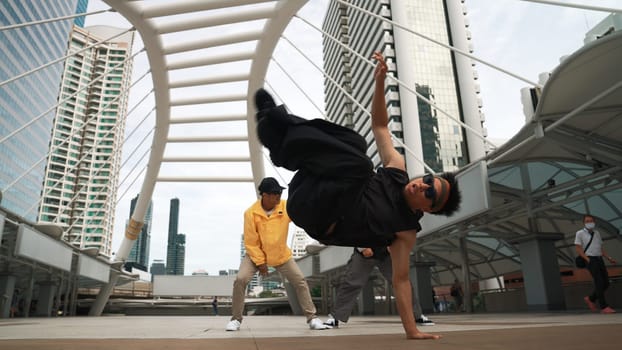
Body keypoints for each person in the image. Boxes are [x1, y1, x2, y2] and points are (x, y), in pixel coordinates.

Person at [254, 51, 461, 340]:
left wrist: (411, 330)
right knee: (357, 142)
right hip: (311, 186)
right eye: (428, 179)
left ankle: (277, 134)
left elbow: (400, 281)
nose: (422, 185)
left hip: (319, 217)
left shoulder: (405, 231)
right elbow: (380, 126)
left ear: (429, 209)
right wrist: (379, 83)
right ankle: (273, 123)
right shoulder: (397, 168)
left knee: (361, 164)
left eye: (429, 193)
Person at [225, 177, 331, 331]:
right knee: (240, 280)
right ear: (265, 195)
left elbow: (302, 214)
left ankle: (312, 318)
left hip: (281, 255)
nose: (278, 196)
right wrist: (261, 263)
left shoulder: (286, 206)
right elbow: (251, 243)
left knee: (300, 281)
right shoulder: (250, 213)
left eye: (280, 192)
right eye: (275, 193)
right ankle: (235, 319)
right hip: (255, 256)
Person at [324, 246, 435, 328]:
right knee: (352, 283)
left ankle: (417, 315)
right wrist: (363, 248)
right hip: (364, 251)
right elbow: (354, 226)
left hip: (387, 251)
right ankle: (336, 317)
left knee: (402, 282)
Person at [575, 214, 617, 314]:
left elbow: (599, 248)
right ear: (584, 223)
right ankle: (604, 307)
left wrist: (608, 257)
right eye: (587, 221)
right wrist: (587, 259)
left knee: (606, 282)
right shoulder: (579, 233)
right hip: (590, 259)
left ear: (594, 222)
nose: (589, 223)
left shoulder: (597, 233)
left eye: (591, 221)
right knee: (599, 282)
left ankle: (591, 298)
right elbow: (578, 248)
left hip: (599, 259)